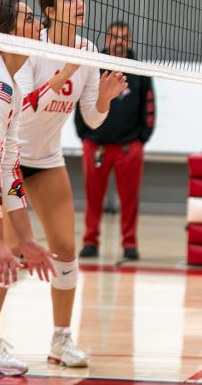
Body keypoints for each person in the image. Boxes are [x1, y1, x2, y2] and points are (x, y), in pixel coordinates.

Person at [0, 0, 128, 369]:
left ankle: (60, 340)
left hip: (47, 159)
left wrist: (103, 99)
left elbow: (91, 118)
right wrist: (63, 73)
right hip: (9, 156)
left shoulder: (88, 51)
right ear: (50, 12)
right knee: (11, 251)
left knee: (65, 249)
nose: (79, 3)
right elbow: (21, 107)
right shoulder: (29, 47)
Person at [0, 0, 57, 376]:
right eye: (31, 19)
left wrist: (25, 237)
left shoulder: (12, 86)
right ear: (7, 32)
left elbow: (7, 167)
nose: (40, 25)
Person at [76, 21, 155, 261]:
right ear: (106, 39)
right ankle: (90, 241)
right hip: (95, 146)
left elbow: (149, 106)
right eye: (114, 36)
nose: (119, 41)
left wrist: (141, 139)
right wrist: (85, 135)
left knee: (130, 200)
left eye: (124, 37)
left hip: (128, 147)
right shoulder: (93, 66)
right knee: (93, 197)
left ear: (130, 41)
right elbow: (80, 101)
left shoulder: (139, 70)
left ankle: (130, 244)